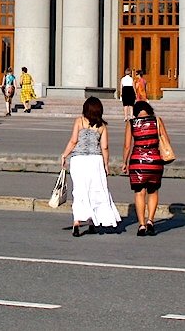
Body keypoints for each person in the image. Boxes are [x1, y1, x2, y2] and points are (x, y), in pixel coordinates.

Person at [60, 96, 120, 236]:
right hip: (95, 160)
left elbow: (73, 141)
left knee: (80, 190)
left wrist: (64, 154)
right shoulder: (102, 126)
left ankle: (76, 222)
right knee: (95, 190)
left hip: (78, 160)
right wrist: (106, 164)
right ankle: (93, 222)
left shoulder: (79, 121)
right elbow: (104, 147)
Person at [124, 100, 170, 235]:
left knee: (139, 192)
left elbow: (127, 145)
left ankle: (142, 225)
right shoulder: (157, 121)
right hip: (155, 161)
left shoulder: (131, 123)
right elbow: (166, 140)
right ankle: (150, 220)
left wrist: (124, 162)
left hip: (137, 161)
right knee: (153, 191)